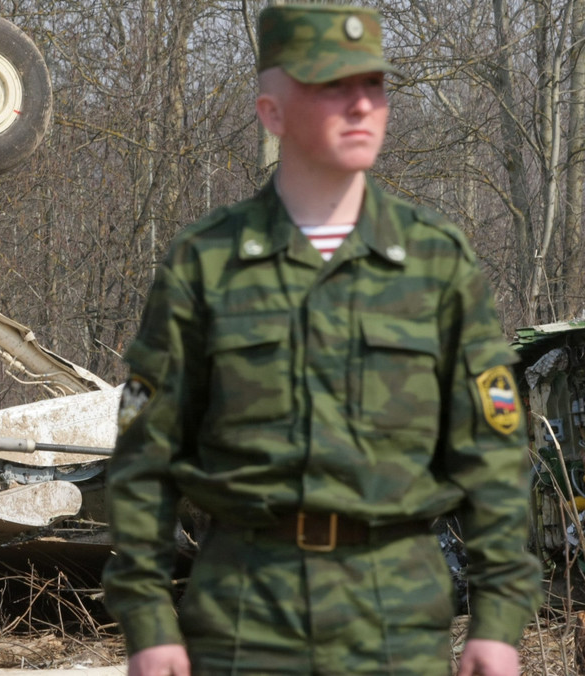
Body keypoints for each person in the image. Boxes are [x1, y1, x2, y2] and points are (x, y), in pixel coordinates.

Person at [102, 4, 541, 675]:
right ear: (271, 112)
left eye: (373, 86)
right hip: (244, 620)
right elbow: (143, 459)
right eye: (331, 87)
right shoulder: (208, 262)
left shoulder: (436, 262)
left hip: (397, 623)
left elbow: (495, 454)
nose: (361, 105)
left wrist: (500, 620)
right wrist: (148, 620)